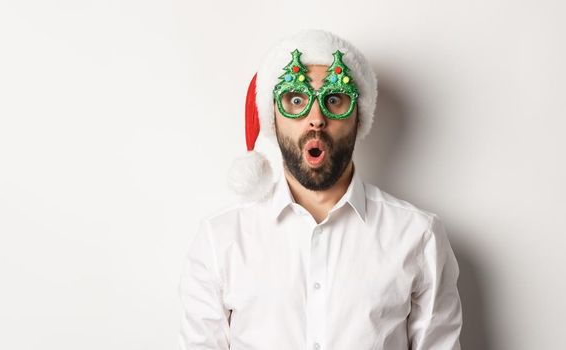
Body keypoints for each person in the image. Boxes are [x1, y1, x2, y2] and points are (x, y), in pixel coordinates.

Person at [178, 29, 463, 350]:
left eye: (334, 99)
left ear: (358, 116)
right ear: (272, 117)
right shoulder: (220, 240)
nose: (316, 118)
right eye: (296, 99)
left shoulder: (418, 235)